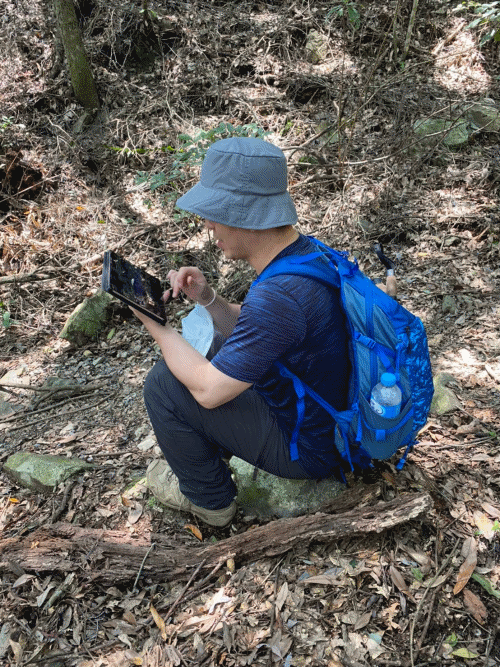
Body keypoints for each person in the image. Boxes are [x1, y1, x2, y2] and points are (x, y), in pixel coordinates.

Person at [132, 137, 350, 527]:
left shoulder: (279, 295)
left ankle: (211, 504)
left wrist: (156, 326)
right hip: (330, 415)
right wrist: (208, 299)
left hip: (310, 447)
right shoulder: (307, 254)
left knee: (163, 383)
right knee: (212, 344)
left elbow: (209, 392)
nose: (207, 224)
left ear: (245, 214)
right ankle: (210, 457)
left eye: (214, 213)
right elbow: (261, 328)